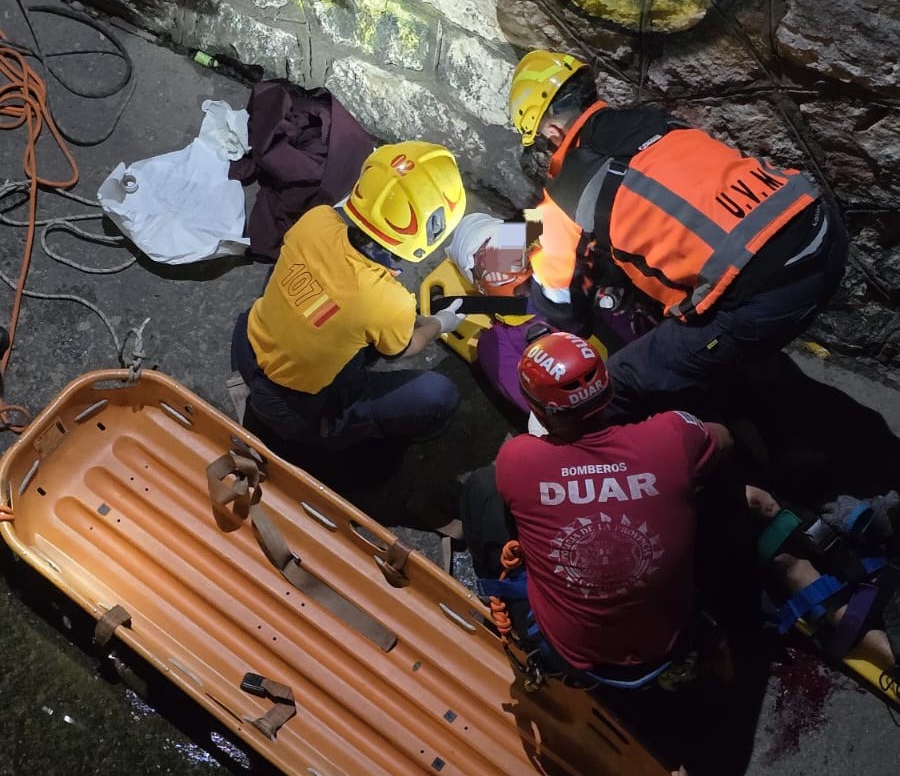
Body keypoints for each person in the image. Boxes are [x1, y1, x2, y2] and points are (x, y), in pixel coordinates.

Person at [507, 50, 848, 421]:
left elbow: (559, 299)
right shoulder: (658, 120)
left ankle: (711, 449)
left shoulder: (562, 195)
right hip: (821, 230)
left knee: (616, 384)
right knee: (728, 349)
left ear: (552, 132)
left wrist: (549, 323)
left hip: (767, 292)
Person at [461, 329, 733, 680]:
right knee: (699, 480)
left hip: (572, 653)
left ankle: (494, 590)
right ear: (609, 388)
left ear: (539, 413)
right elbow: (724, 438)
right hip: (669, 634)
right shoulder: (671, 435)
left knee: (483, 486)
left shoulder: (519, 459)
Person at [231, 140, 469, 451]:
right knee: (438, 395)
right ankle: (335, 435)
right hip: (292, 407)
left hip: (246, 346)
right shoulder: (389, 301)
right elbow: (404, 347)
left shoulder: (317, 219)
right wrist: (440, 323)